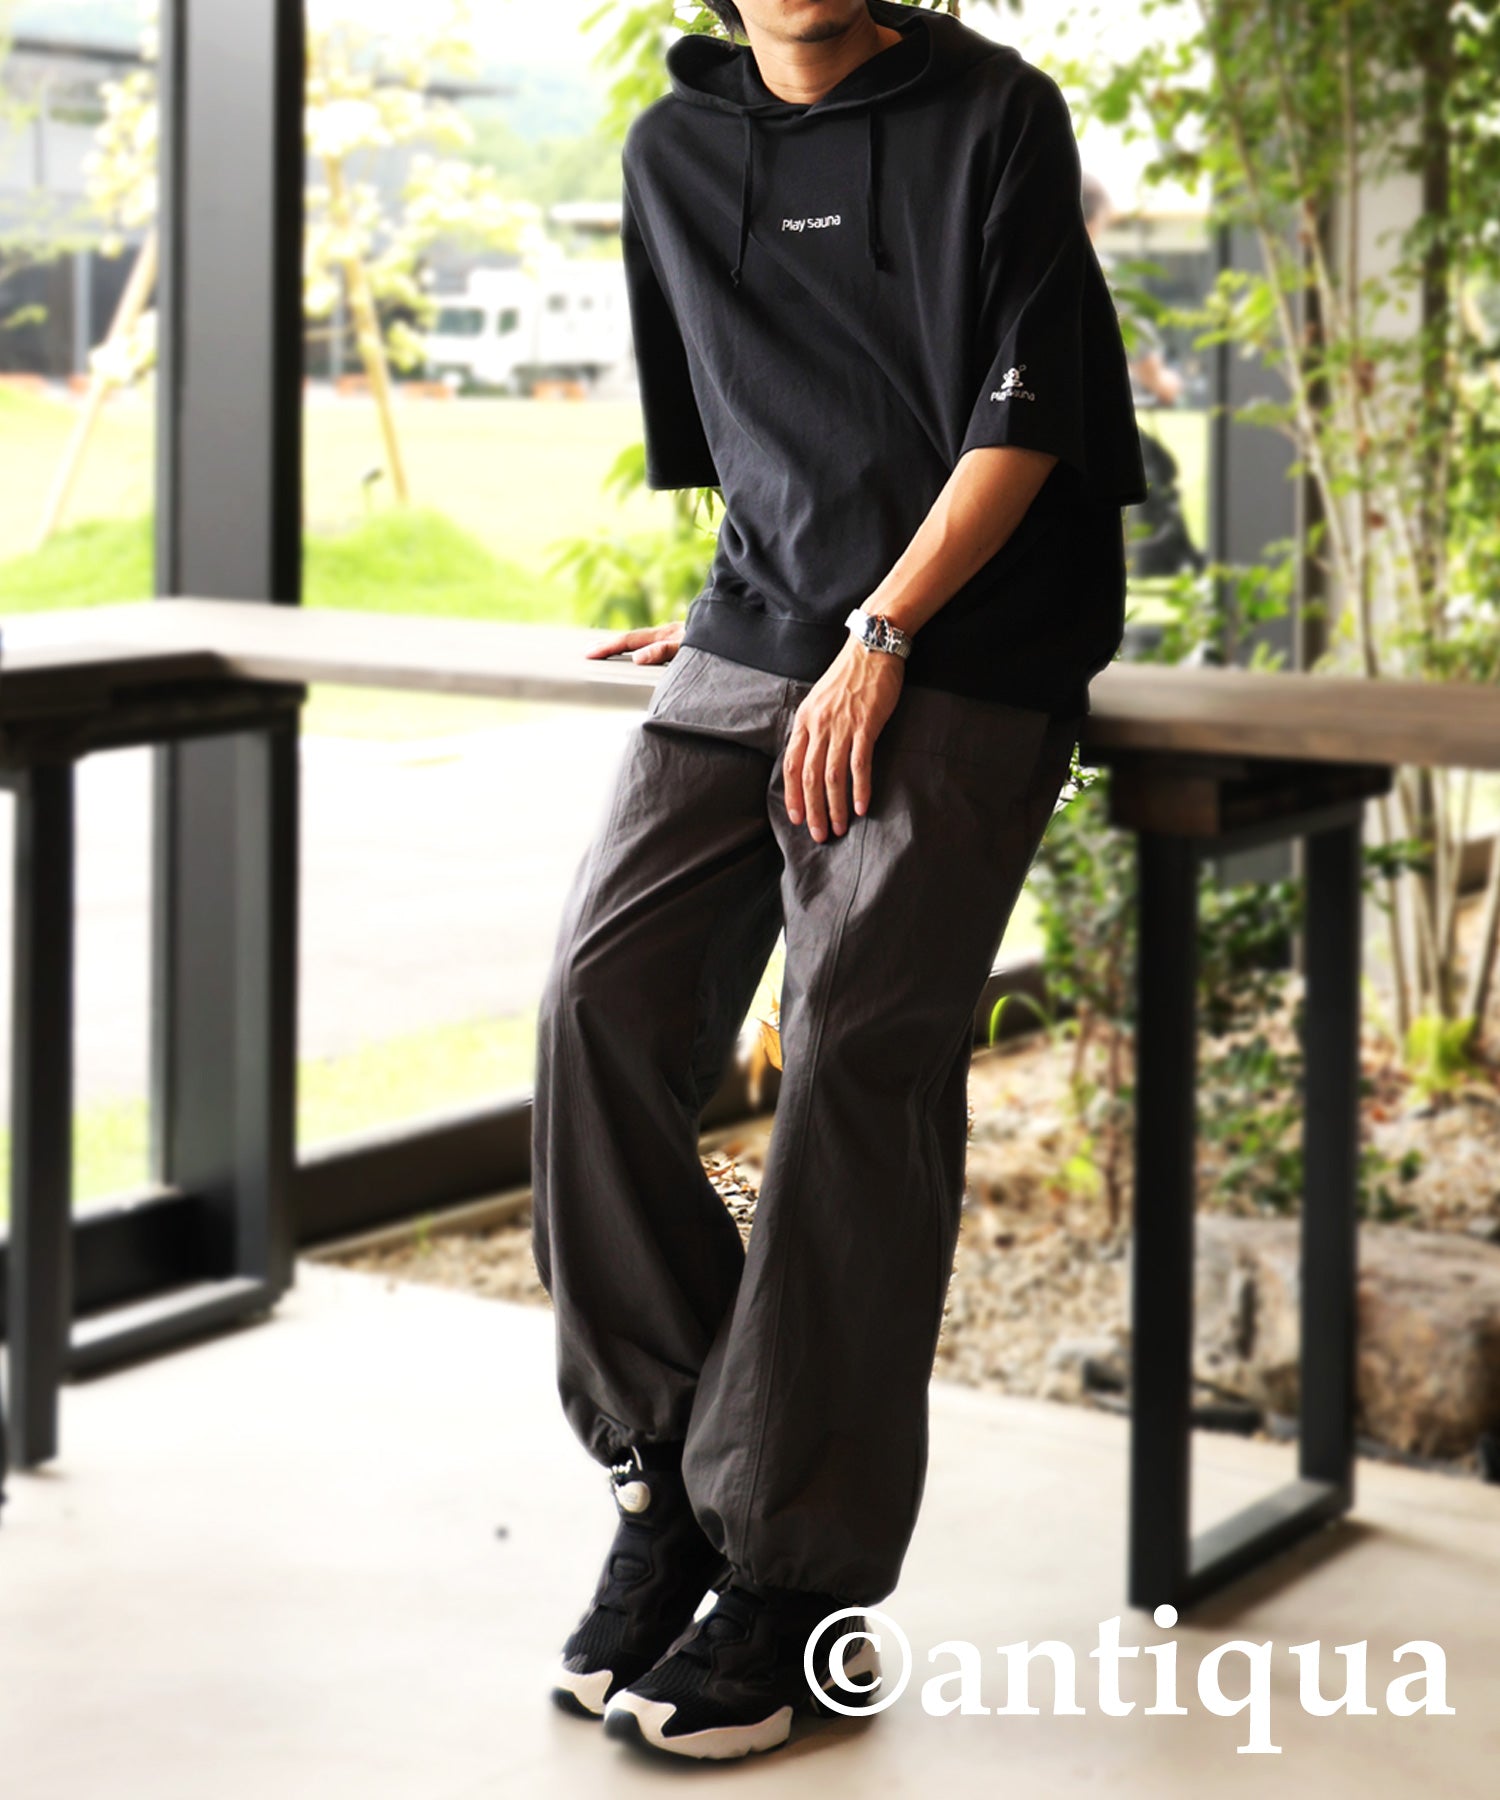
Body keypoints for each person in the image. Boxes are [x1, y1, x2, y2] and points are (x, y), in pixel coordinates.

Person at [530, 0, 1146, 1762]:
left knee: (856, 1046)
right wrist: (743, 619)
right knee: (596, 1005)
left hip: (969, 640)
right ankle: (673, 1478)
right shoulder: (674, 151)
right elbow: (750, 437)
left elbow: (1022, 421)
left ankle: (793, 1577)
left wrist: (878, 629)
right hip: (762, 627)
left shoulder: (996, 111)